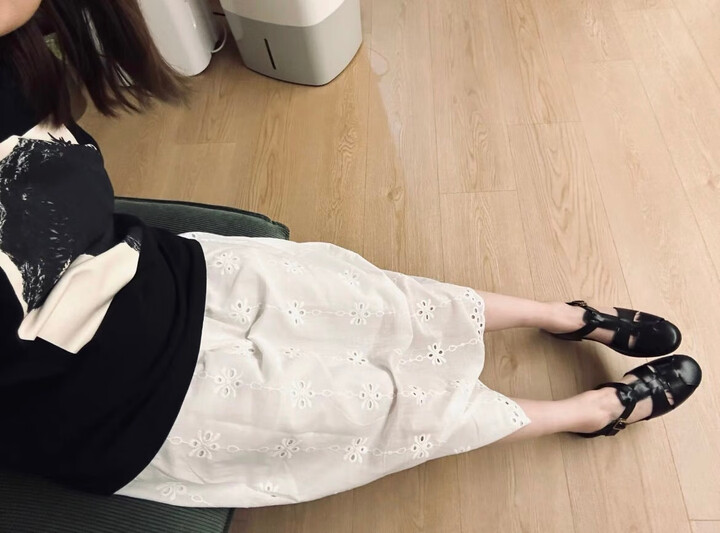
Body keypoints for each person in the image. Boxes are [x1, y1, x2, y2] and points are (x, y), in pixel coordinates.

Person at [0, 0, 702, 508]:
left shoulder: (16, 63)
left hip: (148, 274)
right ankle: (588, 413)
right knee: (386, 404)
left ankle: (565, 316)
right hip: (114, 407)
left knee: (372, 298)